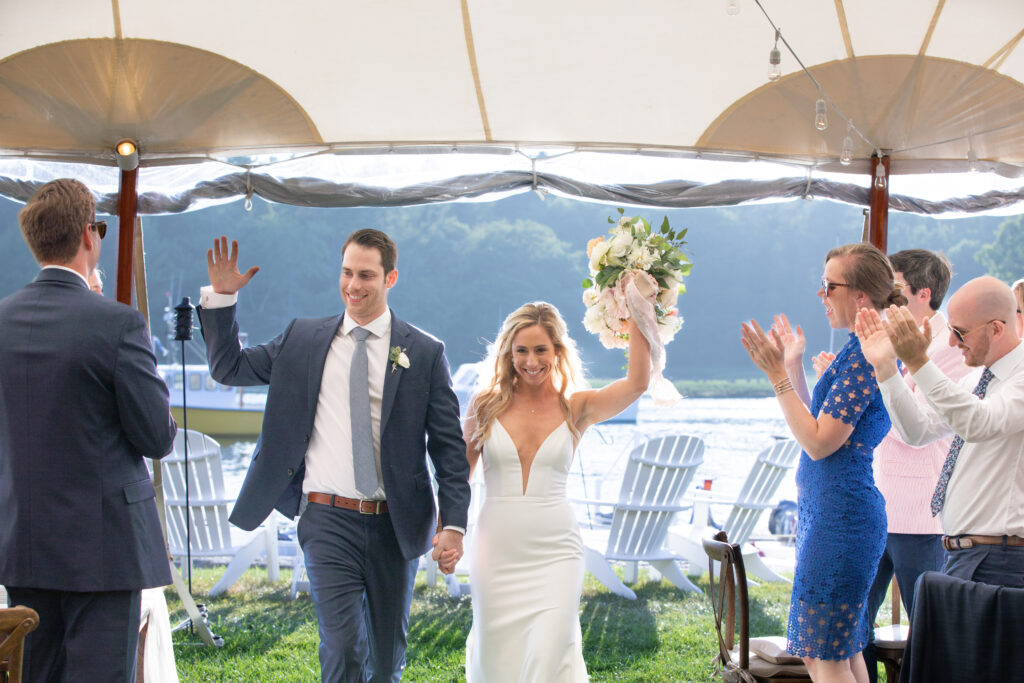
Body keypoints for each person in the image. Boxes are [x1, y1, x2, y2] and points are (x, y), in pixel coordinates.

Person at [197, 230, 471, 682]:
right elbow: (230, 368)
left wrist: (454, 526)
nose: (353, 285)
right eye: (346, 272)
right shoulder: (302, 338)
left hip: (395, 524)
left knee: (386, 660)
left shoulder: (423, 351)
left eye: (366, 275)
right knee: (343, 647)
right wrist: (223, 300)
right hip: (326, 519)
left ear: (391, 278)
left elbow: (448, 449)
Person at [0, 179, 177, 681]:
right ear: (89, 236)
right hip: (104, 547)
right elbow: (155, 437)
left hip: (23, 539)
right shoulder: (117, 325)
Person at [462, 292, 651, 682]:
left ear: (558, 350)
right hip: (495, 550)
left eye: (541, 350)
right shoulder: (484, 406)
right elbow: (458, 479)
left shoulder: (575, 406)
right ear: (508, 352)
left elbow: (636, 383)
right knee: (497, 659)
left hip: (556, 553)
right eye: (522, 351)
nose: (532, 362)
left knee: (551, 654)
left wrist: (636, 311)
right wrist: (447, 530)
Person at [741, 242, 906, 683]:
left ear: (860, 297)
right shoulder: (860, 350)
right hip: (832, 514)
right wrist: (793, 367)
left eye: (828, 285)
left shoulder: (863, 359)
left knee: (824, 655)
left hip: (842, 519)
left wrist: (776, 375)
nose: (821, 294)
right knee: (841, 650)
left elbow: (818, 444)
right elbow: (820, 424)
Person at [855, 275, 1024, 587]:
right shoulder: (975, 381)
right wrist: (886, 369)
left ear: (996, 329)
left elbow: (979, 423)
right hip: (964, 553)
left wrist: (919, 362)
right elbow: (917, 431)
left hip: (1003, 559)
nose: (951, 342)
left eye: (959, 332)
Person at [861, 250, 975, 683]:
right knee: (854, 627)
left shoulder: (950, 347)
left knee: (929, 631)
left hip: (920, 513)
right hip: (877, 505)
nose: (883, 298)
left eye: (894, 289)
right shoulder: (884, 340)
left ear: (922, 294)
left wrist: (873, 401)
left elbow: (918, 428)